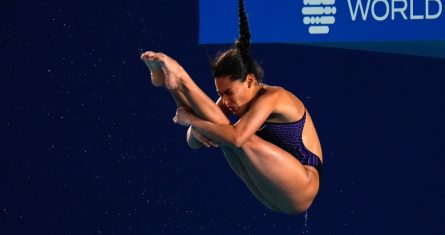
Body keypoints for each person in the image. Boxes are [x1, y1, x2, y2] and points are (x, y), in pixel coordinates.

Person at [140, 0, 323, 215]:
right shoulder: (231, 103)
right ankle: (171, 84)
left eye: (228, 93)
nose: (225, 101)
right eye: (219, 94)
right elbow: (193, 142)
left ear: (250, 80)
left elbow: (237, 137)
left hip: (302, 186)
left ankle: (181, 77)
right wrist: (196, 124)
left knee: (233, 137)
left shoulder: (274, 96)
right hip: (274, 197)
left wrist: (193, 121)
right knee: (221, 128)